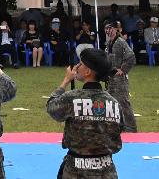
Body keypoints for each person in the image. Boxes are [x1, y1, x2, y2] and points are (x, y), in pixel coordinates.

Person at [46, 48, 122, 178]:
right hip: (106, 170)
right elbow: (120, 127)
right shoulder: (114, 102)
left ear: (87, 72)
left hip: (76, 171)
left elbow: (51, 108)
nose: (77, 67)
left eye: (80, 64)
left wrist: (65, 81)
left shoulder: (72, 98)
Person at [104, 23, 137, 132]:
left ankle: (131, 127)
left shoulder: (120, 42)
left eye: (110, 29)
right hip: (110, 76)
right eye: (106, 29)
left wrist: (123, 69)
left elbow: (131, 56)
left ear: (115, 29)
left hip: (119, 77)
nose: (108, 31)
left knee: (123, 102)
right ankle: (119, 125)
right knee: (112, 103)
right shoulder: (109, 42)